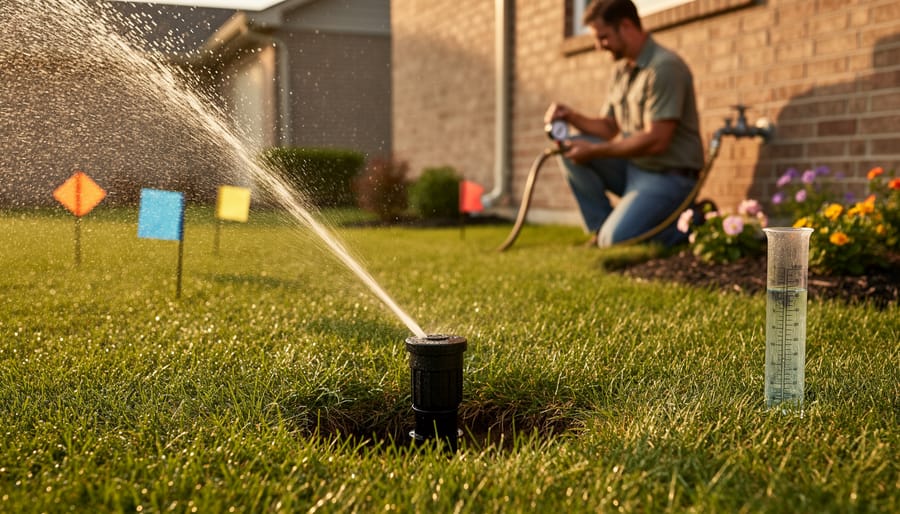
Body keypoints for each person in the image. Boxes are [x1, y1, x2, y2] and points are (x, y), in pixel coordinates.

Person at [545, 0, 704, 247]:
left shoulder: (664, 68)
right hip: (634, 169)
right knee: (569, 149)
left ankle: (693, 223)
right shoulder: (623, 70)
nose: (599, 47)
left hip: (669, 176)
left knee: (617, 240)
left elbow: (657, 141)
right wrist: (571, 116)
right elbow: (609, 128)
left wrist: (594, 151)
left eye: (603, 37)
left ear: (626, 26)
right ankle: (602, 229)